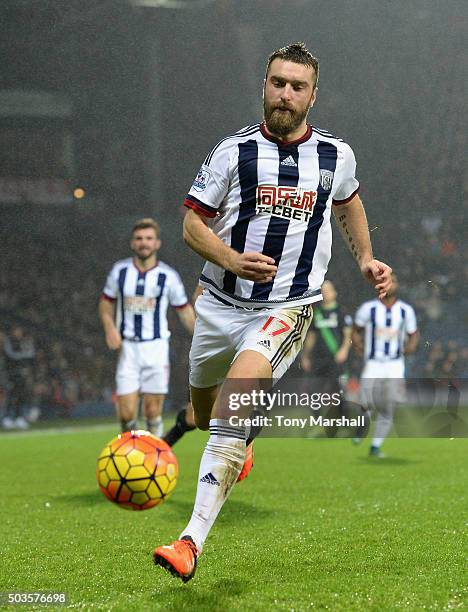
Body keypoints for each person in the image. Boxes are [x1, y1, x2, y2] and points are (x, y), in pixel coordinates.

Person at [153, 42, 392, 582]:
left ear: (313, 96)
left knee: (234, 409)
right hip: (217, 304)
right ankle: (239, 443)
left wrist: (367, 258)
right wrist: (231, 257)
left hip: (286, 307)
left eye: (297, 86)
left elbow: (348, 200)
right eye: (278, 83)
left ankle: (190, 541)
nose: (286, 94)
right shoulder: (232, 152)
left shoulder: (336, 154)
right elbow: (191, 224)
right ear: (264, 85)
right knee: (208, 412)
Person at [99, 218, 195, 436]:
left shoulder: (168, 276)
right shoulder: (120, 271)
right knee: (126, 414)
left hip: (156, 348)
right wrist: (109, 328)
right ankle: (129, 453)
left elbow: (185, 311)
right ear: (132, 243)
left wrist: (201, 337)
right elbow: (105, 302)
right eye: (139, 239)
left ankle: (155, 458)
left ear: (157, 243)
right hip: (128, 349)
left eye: (149, 238)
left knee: (152, 411)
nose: (144, 243)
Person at [352, 273, 419, 457]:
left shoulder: (405, 310)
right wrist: (357, 346)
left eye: (393, 281)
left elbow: (414, 333)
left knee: (389, 405)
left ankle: (375, 446)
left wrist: (411, 347)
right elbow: (356, 330)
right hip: (373, 363)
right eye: (384, 281)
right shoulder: (368, 309)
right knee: (365, 402)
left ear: (397, 285)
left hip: (394, 364)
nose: (389, 285)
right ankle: (362, 426)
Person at [300, 279, 352, 435]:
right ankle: (319, 424)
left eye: (329, 289)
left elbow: (348, 334)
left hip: (335, 359)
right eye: (323, 290)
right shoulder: (316, 314)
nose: (325, 292)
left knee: (339, 392)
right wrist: (306, 356)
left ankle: (344, 425)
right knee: (312, 391)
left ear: (335, 293)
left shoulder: (341, 313)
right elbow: (311, 337)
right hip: (318, 360)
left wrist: (344, 350)